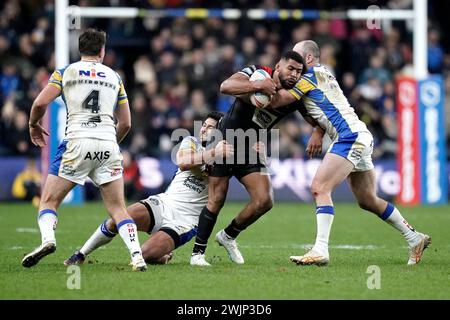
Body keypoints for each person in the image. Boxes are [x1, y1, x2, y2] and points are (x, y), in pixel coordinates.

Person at [267, 40, 431, 266]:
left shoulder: (308, 77)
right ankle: (414, 237)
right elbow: (318, 107)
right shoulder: (324, 74)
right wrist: (317, 130)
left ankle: (320, 249)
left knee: (319, 187)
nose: (292, 64)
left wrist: (258, 83)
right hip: (359, 135)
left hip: (349, 137)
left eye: (296, 58)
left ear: (309, 59)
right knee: (367, 200)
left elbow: (278, 101)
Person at [22, 28, 147, 271]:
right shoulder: (114, 77)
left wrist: (33, 124)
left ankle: (48, 240)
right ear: (102, 51)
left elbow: (40, 102)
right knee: (118, 209)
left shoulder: (65, 72)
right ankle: (136, 255)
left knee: (48, 200)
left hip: (77, 142)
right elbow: (127, 123)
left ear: (80, 50)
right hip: (107, 144)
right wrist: (111, 144)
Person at [64, 112, 233, 265]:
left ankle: (163, 255)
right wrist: (213, 154)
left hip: (186, 221)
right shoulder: (192, 142)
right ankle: (80, 254)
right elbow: (183, 162)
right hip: (164, 203)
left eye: (210, 128)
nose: (204, 129)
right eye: (204, 125)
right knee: (118, 220)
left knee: (145, 254)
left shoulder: (228, 159)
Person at [190, 50, 310, 266]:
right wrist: (257, 86)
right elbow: (226, 86)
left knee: (264, 200)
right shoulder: (258, 72)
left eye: (299, 72)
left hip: (250, 148)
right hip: (225, 140)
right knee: (216, 199)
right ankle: (197, 254)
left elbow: (313, 116)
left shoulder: (294, 96)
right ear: (278, 66)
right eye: (290, 68)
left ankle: (228, 235)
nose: (294, 74)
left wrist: (318, 132)